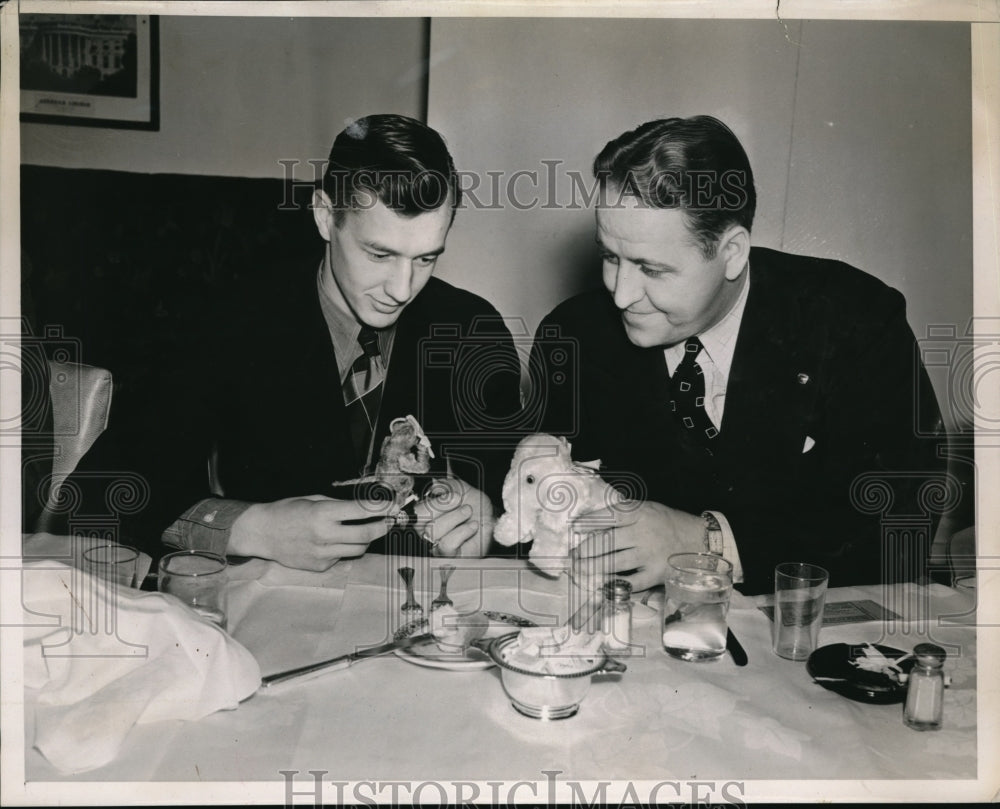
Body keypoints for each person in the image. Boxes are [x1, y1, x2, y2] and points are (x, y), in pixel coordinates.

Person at [64, 114, 521, 569]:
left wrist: (484, 519)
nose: (402, 289)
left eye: (425, 258)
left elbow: (516, 505)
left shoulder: (470, 330)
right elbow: (96, 492)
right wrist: (250, 528)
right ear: (325, 216)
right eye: (379, 254)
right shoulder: (230, 319)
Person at [531, 115, 945, 595]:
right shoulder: (573, 335)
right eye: (610, 257)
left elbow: (902, 526)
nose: (621, 295)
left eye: (651, 268)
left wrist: (708, 541)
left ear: (731, 251)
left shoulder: (855, 319)